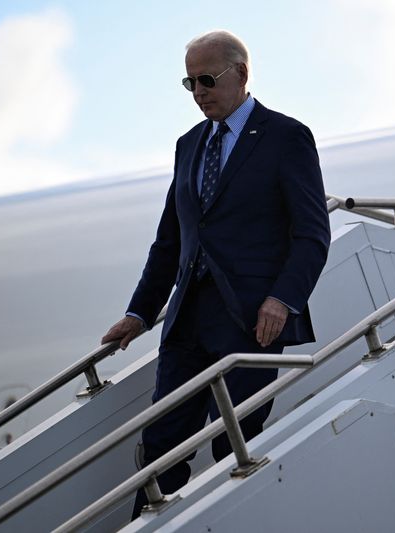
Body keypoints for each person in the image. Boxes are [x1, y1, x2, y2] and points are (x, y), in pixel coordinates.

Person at [101, 29, 330, 518]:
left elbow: (312, 234)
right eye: (190, 84)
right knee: (161, 443)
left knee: (236, 445)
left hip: (252, 321)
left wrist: (283, 298)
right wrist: (139, 312)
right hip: (187, 320)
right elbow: (170, 242)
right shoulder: (189, 145)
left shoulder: (286, 137)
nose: (199, 92)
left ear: (242, 74)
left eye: (207, 79)